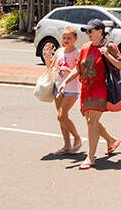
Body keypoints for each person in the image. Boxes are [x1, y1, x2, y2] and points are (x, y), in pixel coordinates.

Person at [58, 19, 121, 170]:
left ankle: (90, 157)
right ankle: (111, 140)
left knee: (91, 122)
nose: (88, 34)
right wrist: (65, 82)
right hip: (87, 89)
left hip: (100, 89)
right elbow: (77, 69)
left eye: (90, 31)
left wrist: (107, 55)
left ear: (100, 32)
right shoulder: (85, 48)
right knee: (90, 120)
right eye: (87, 31)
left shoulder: (109, 46)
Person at [43, 27, 83, 155]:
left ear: (75, 39)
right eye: (64, 38)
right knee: (62, 118)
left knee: (61, 115)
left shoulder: (78, 53)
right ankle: (67, 145)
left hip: (72, 88)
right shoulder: (60, 51)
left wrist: (69, 71)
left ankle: (77, 138)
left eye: (69, 38)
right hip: (58, 86)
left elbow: (80, 71)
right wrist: (48, 55)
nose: (66, 40)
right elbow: (50, 67)